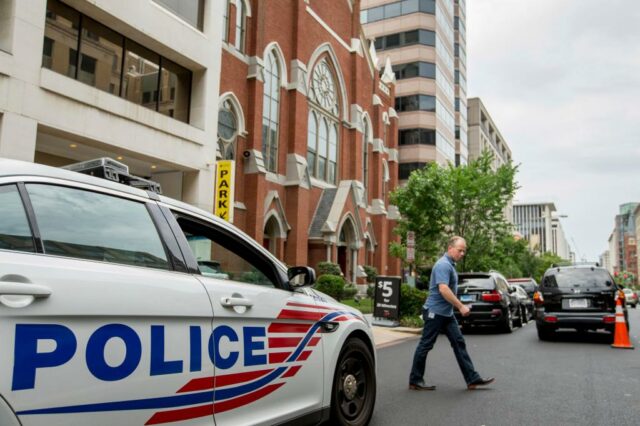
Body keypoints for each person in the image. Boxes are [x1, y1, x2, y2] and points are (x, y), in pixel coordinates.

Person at [409, 236, 495, 391]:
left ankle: (472, 379)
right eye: (460, 250)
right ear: (450, 248)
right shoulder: (443, 265)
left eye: (464, 251)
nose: (462, 254)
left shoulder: (450, 265)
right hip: (435, 312)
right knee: (426, 345)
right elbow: (443, 289)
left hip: (446, 314)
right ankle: (415, 380)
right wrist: (461, 306)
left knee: (459, 343)